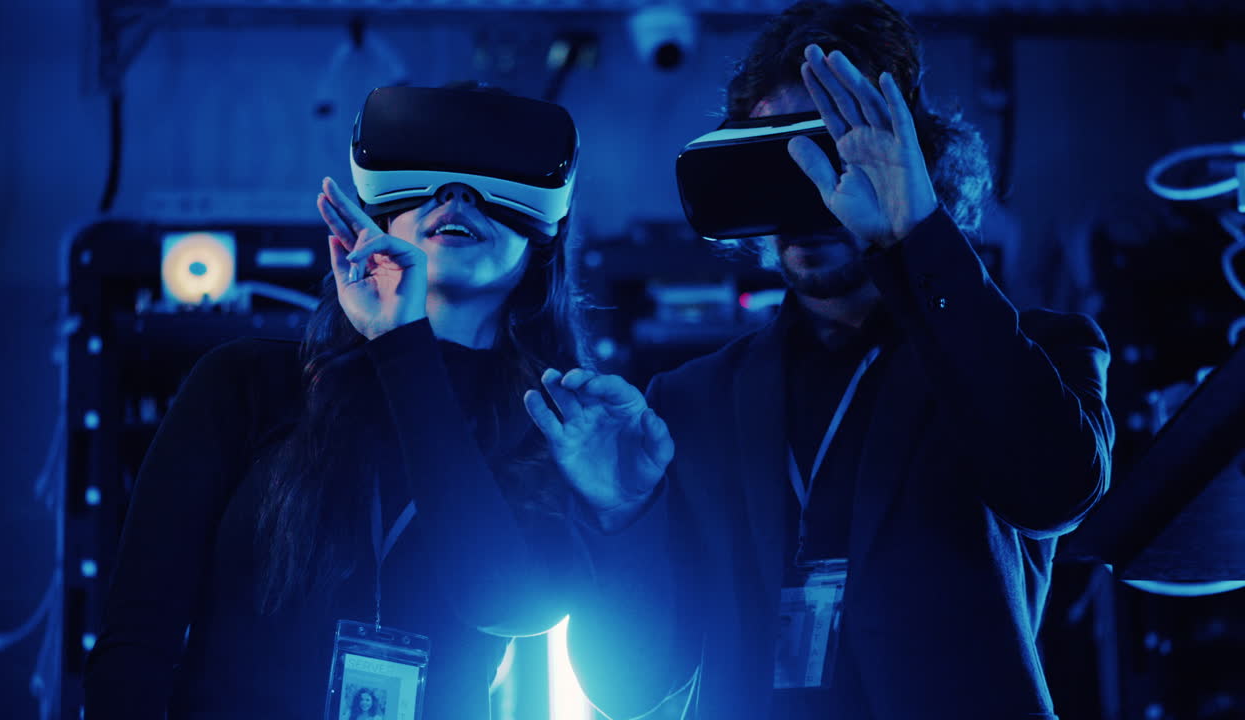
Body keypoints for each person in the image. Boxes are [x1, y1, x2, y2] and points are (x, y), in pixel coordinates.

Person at [528, 2, 1115, 719]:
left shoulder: (1034, 352)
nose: (808, 195)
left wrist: (917, 232)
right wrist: (622, 518)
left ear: (912, 159)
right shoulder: (692, 401)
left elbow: (1055, 491)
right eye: (773, 163)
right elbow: (631, 686)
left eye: (835, 152)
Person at [83, 83, 598, 720]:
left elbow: (508, 602)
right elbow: (137, 639)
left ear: (543, 240)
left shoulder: (555, 428)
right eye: (432, 177)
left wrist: (404, 345)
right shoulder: (242, 383)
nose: (458, 197)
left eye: (494, 181)